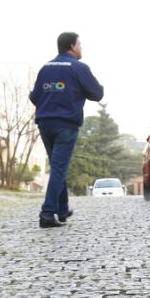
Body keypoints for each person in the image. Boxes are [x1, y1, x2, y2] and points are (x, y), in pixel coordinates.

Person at [29, 32, 105, 228]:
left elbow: (35, 96)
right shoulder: (78, 68)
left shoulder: (45, 68)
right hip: (66, 125)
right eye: (80, 44)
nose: (81, 48)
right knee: (59, 168)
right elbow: (97, 94)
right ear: (72, 46)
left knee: (57, 166)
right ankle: (47, 214)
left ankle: (62, 209)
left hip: (45, 123)